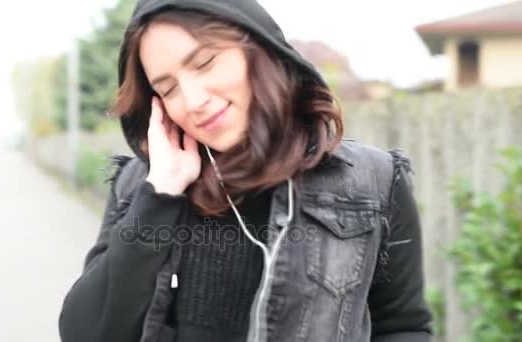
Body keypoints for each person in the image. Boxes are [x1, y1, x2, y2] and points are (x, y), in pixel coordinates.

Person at [58, 0, 434, 341]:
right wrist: (160, 195)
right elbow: (86, 334)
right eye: (168, 89)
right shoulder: (139, 187)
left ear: (259, 49)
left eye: (204, 63)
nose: (193, 101)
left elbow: (402, 327)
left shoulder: (373, 183)